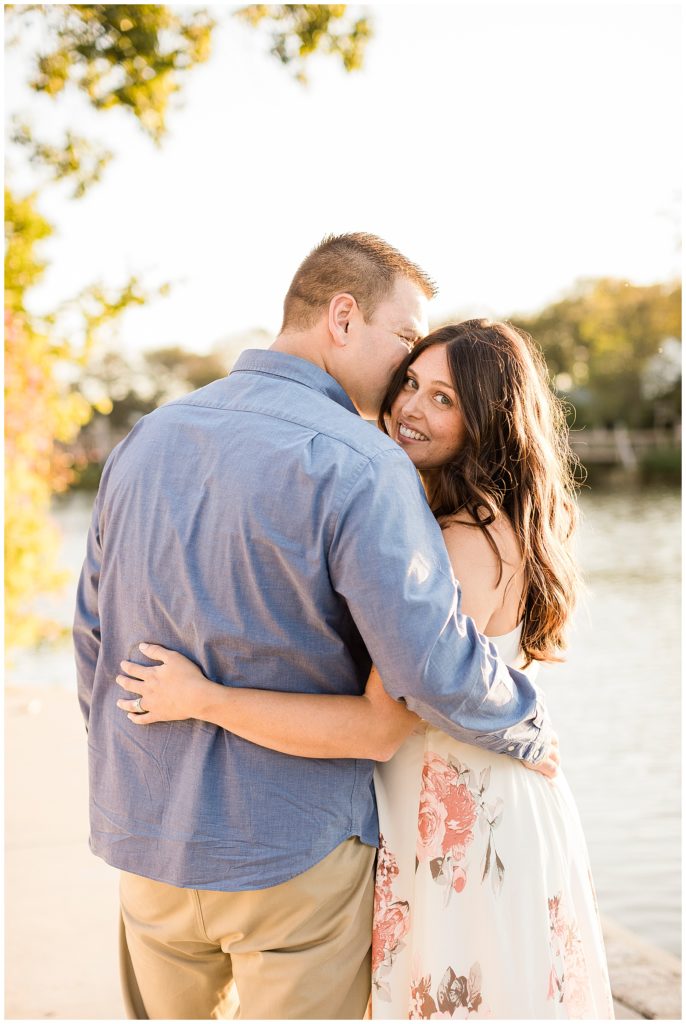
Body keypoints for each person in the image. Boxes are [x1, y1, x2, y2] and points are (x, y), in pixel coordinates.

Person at [74, 234, 556, 1022]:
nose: (406, 374)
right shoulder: (361, 464)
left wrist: (132, 784)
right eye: (405, 339)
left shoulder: (142, 441)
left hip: (147, 844)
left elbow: (94, 643)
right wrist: (524, 720)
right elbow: (430, 666)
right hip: (294, 861)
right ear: (342, 316)